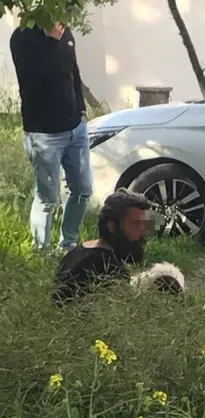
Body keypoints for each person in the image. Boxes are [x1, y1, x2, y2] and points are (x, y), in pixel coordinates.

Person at [10, 21, 92, 251]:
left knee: (83, 190)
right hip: (44, 135)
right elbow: (30, 81)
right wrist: (50, 42)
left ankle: (69, 245)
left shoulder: (66, 31)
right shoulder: (22, 37)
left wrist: (81, 108)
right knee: (47, 199)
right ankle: (41, 253)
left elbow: (73, 72)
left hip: (76, 130)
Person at [53, 188, 184, 304]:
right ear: (112, 226)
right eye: (136, 224)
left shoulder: (79, 250)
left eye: (144, 224)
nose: (143, 232)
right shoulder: (110, 269)